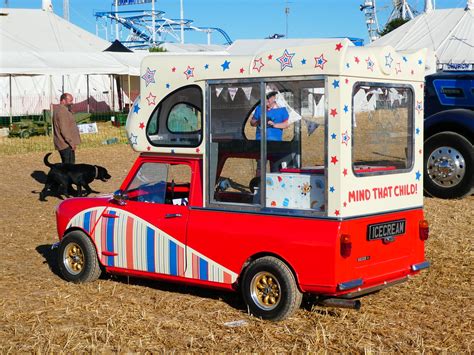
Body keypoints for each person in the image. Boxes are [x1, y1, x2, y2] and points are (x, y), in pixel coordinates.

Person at [250, 91, 290, 173]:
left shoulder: (281, 109)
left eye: (268, 98)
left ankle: (274, 185)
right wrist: (258, 122)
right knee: (260, 167)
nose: (266, 100)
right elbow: (252, 122)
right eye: (264, 97)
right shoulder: (259, 108)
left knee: (275, 167)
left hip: (275, 143)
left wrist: (274, 125)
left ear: (274, 97)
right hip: (260, 143)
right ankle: (259, 184)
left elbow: (286, 124)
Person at [53, 93, 80, 164]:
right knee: (69, 168)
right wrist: (71, 143)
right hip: (65, 144)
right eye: (70, 101)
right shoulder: (62, 111)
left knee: (67, 167)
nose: (72, 103)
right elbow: (64, 130)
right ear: (63, 100)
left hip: (64, 143)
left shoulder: (60, 109)